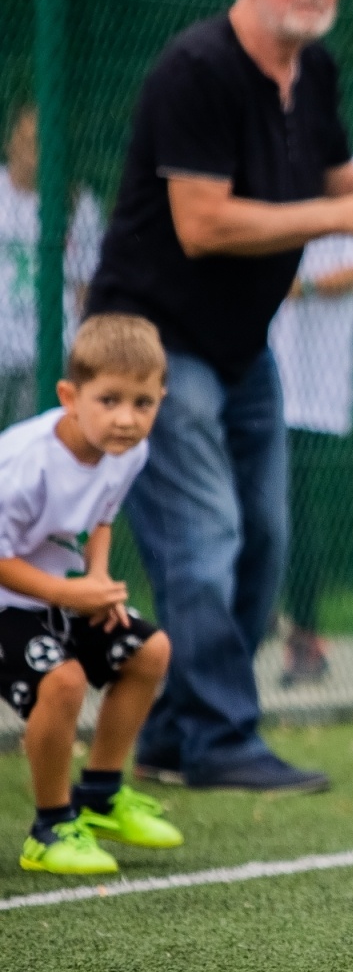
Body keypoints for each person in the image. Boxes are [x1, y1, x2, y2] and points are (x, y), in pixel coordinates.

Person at [84, 0, 353, 792]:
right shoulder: (195, 70)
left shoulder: (313, 69)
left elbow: (338, 180)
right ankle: (221, 737)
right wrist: (347, 212)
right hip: (151, 343)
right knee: (206, 535)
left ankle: (168, 734)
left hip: (240, 344)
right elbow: (203, 223)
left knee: (264, 535)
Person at [0, 314, 180, 874]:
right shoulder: (24, 463)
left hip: (58, 593)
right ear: (69, 397)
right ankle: (50, 829)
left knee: (149, 651)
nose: (127, 418)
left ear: (160, 399)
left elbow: (101, 515)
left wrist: (98, 583)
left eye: (143, 403)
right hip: (8, 600)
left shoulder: (128, 450)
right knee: (64, 681)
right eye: (109, 400)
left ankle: (100, 797)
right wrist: (69, 593)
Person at [268, 162, 353, 686]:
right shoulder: (257, 156)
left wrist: (301, 284)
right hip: (252, 372)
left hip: (312, 388)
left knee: (295, 507)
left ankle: (305, 637)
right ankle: (251, 626)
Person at [0, 103, 105, 427]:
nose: (36, 151)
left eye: (46, 142)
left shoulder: (78, 203)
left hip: (48, 353)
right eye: (29, 140)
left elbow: (85, 287)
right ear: (9, 141)